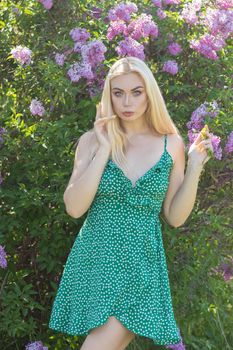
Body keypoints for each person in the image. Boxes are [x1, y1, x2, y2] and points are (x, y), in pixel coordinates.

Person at [48, 56, 213, 350]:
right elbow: (74, 208)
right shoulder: (90, 141)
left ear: (149, 94)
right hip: (95, 266)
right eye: (118, 92)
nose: (127, 101)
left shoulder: (170, 143)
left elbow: (175, 217)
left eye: (137, 92)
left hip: (140, 268)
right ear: (108, 95)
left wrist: (195, 166)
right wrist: (104, 149)